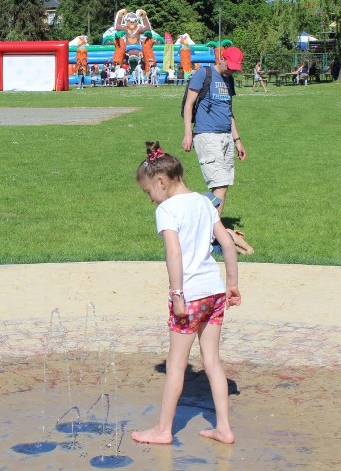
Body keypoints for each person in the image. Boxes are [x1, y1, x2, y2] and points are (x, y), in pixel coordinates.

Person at [131, 141, 241, 446]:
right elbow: (228, 243)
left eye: (148, 192)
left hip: (190, 295)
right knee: (212, 362)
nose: (150, 199)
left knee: (176, 364)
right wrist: (232, 283)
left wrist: (177, 293)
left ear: (161, 181)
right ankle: (224, 428)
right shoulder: (206, 202)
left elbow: (174, 253)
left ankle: (163, 429)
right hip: (215, 292)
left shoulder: (167, 209)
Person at [182, 47, 247, 217]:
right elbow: (189, 105)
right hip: (207, 135)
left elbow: (229, 111)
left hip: (226, 136)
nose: (231, 70)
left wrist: (237, 140)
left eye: (235, 68)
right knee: (220, 184)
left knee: (222, 185)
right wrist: (188, 134)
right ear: (222, 59)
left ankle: (209, 227)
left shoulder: (229, 80)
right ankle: (212, 230)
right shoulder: (203, 74)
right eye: (230, 66)